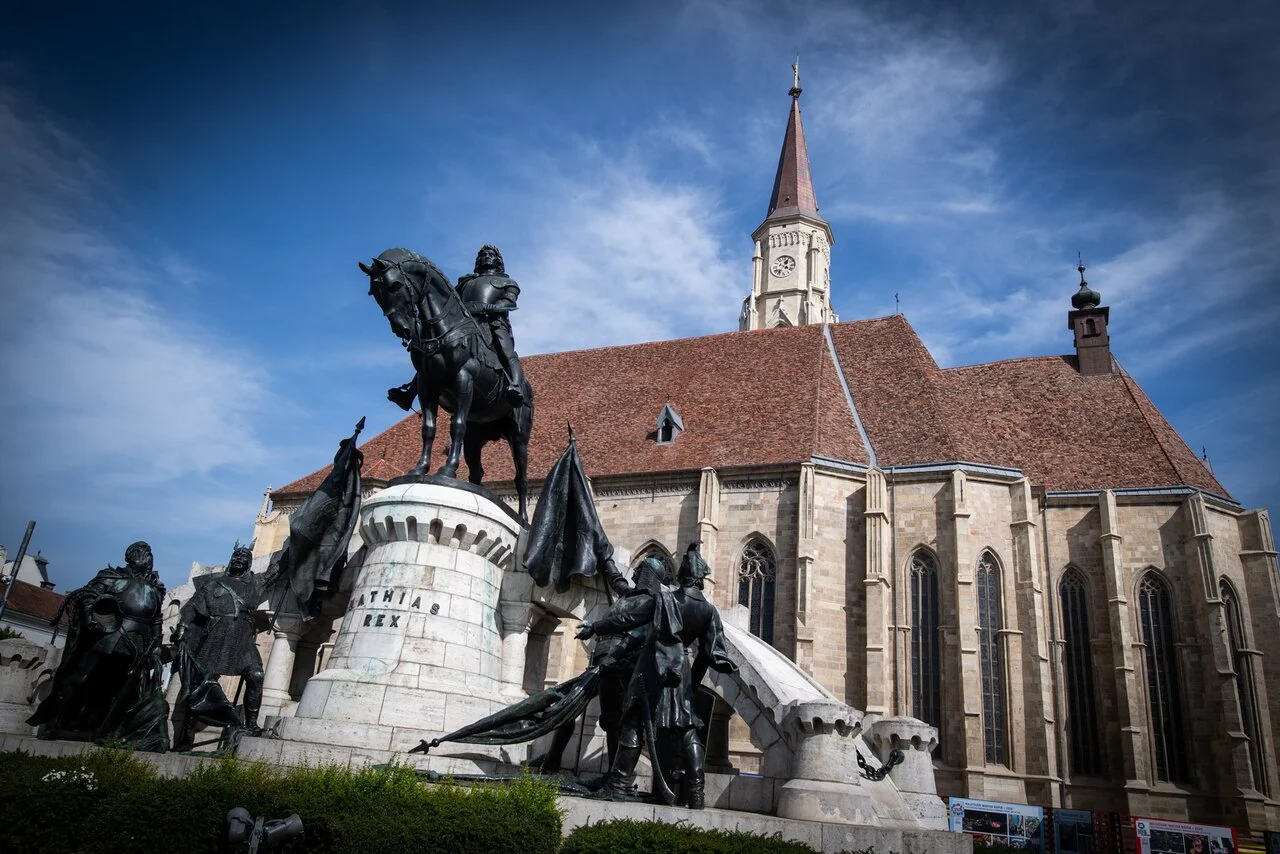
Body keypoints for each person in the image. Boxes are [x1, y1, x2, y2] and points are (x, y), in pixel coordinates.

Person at [576, 541, 738, 808]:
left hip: (652, 667)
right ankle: (697, 791)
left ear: (684, 575)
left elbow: (628, 619)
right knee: (686, 729)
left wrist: (595, 627)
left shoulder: (666, 599)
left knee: (633, 721)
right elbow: (709, 655)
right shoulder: (709, 611)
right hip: (681, 671)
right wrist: (691, 683)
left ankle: (618, 783)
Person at [28, 541, 170, 752]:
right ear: (132, 557)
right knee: (81, 677)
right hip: (111, 634)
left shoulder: (155, 587)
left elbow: (156, 618)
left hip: (138, 641)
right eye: (144, 555)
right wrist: (92, 619)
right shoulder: (111, 577)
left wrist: (157, 643)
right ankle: (54, 722)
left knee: (122, 687)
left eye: (150, 555)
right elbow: (89, 597)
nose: (148, 559)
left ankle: (106, 729)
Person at [174, 543, 278, 744]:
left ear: (249, 563)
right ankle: (186, 731)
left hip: (243, 635)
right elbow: (192, 607)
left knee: (256, 675)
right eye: (236, 555)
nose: (239, 558)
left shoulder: (255, 583)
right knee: (202, 683)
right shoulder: (214, 584)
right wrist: (182, 626)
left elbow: (276, 570)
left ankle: (250, 724)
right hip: (217, 634)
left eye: (244, 556)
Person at [454, 244, 526, 405]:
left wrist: (494, 307)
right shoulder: (464, 283)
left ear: (497, 261)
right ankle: (411, 391)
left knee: (507, 351)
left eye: (490, 254)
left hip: (493, 322)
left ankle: (516, 385)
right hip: (465, 323)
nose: (486, 256)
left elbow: (510, 302)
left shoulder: (507, 282)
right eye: (483, 254)